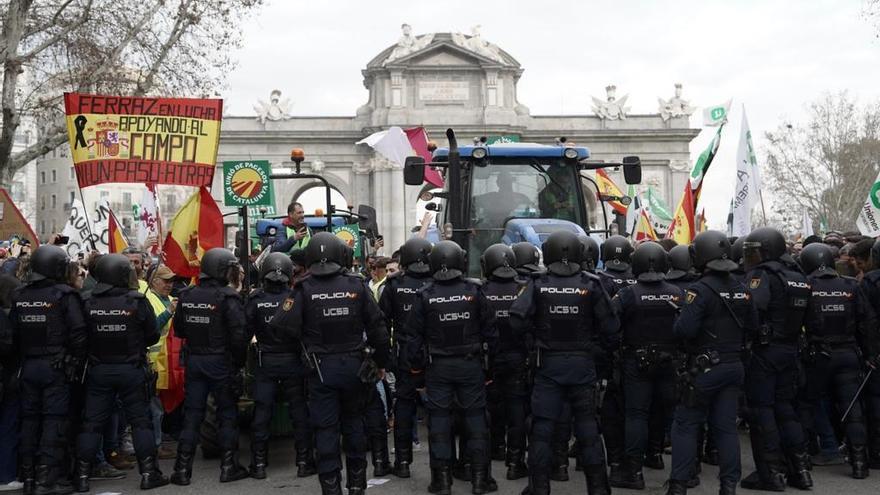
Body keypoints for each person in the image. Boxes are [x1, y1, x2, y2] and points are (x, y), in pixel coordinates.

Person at [270, 232, 390, 495]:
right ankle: (357, 486)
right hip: (355, 368)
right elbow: (379, 328)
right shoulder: (357, 285)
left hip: (319, 370)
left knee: (326, 430)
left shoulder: (302, 288)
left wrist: (304, 343)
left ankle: (331, 489)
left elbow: (280, 325)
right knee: (354, 425)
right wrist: (380, 362)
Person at [511, 230, 618, 495]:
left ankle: (539, 488)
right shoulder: (592, 284)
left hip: (548, 366)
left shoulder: (537, 284)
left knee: (542, 430)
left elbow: (515, 321)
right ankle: (598, 489)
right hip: (582, 366)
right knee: (588, 429)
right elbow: (612, 327)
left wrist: (533, 339)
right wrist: (593, 346)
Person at [666, 230, 757, 495]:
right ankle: (729, 487)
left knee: (685, 424)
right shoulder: (742, 288)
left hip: (705, 367)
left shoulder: (699, 290)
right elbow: (753, 326)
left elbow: (684, 331)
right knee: (726, 428)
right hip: (734, 366)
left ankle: (678, 486)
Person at [404, 240, 498, 495]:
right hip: (470, 365)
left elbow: (413, 339)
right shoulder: (475, 291)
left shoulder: (425, 295)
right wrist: (489, 370)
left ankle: (441, 481)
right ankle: (480, 480)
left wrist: (417, 371)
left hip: (439, 368)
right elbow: (491, 333)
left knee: (440, 424)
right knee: (476, 421)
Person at [72, 254, 168, 492]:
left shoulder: (87, 301)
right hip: (131, 370)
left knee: (92, 424)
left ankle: (82, 477)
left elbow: (79, 336)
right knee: (140, 423)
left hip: (99, 370)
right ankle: (148, 474)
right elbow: (152, 335)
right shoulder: (136, 301)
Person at [10, 245, 88, 495]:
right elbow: (78, 333)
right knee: (55, 422)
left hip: (29, 366)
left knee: (30, 421)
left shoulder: (20, 294)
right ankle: (47, 480)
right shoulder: (64, 295)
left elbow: (13, 334)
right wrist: (74, 361)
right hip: (56, 366)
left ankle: (29, 477)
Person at [740, 227, 812, 491]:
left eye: (753, 252)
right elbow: (814, 319)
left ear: (766, 250)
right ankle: (801, 471)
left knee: (762, 410)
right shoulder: (799, 276)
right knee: (786, 409)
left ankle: (771, 474)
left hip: (765, 351)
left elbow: (752, 310)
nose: (750, 257)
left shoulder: (763, 275)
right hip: (791, 351)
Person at [169, 248, 249, 486]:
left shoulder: (187, 295)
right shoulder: (228, 297)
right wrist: (238, 364)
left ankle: (182, 469)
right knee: (226, 415)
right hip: (220, 361)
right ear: (222, 270)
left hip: (195, 361)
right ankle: (228, 467)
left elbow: (180, 329)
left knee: (192, 416)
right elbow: (238, 336)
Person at [799, 242, 878, 479]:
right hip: (848, 355)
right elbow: (867, 323)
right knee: (852, 408)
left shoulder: (806, 286)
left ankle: (804, 459)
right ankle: (860, 464)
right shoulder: (851, 285)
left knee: (807, 404)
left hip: (818, 356)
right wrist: (870, 354)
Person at [610, 242, 682, 490]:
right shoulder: (677, 292)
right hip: (669, 361)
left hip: (637, 361)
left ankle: (633, 471)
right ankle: (678, 468)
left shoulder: (628, 294)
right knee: (668, 413)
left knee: (636, 414)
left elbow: (610, 324)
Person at [246, 253, 316, 479]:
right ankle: (304, 462)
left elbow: (244, 333)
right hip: (292, 362)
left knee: (262, 413)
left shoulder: (255, 299)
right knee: (298, 413)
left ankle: (258, 465)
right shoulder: (295, 298)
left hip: (265, 362)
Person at [378, 238, 433, 479]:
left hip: (405, 353)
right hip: (436, 352)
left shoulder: (394, 285)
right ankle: (450, 464)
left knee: (404, 405)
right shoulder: (437, 282)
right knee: (443, 407)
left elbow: (381, 323)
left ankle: (402, 461)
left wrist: (386, 356)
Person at [481, 244, 530, 481]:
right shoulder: (524, 289)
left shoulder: (481, 290)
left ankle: (495, 447)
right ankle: (515, 461)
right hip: (518, 358)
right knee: (516, 409)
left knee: (492, 405)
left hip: (490, 358)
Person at [596, 235, 635, 479]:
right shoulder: (639, 280)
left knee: (608, 409)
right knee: (635, 410)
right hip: (633, 352)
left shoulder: (600, 281)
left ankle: (617, 459)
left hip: (609, 353)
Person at [144, 266, 177, 460]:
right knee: (154, 409)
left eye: (171, 280)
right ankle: (155, 445)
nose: (169, 284)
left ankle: (162, 438)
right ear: (153, 281)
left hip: (170, 363)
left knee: (162, 407)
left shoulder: (172, 300)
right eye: (165, 280)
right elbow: (151, 328)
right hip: (154, 363)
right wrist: (168, 312)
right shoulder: (148, 299)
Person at [857, 238, 880, 469]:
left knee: (876, 402)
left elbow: (867, 322)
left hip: (876, 351)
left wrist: (869, 352)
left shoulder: (871, 282)